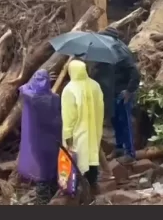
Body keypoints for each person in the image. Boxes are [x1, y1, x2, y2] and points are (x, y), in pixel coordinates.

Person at [90, 27, 141, 164]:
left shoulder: (121, 51)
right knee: (116, 122)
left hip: (122, 93)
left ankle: (130, 153)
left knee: (125, 122)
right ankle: (119, 148)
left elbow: (135, 73)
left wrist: (129, 91)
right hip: (111, 93)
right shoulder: (109, 51)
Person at [17, 69, 62, 205]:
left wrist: (33, 81)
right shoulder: (56, 98)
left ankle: (43, 200)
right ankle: (55, 196)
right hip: (55, 138)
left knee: (42, 170)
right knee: (53, 167)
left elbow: (22, 88)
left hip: (39, 140)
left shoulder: (33, 98)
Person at [61, 59, 104, 195]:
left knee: (77, 159)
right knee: (92, 155)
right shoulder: (95, 85)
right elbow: (101, 107)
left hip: (78, 131)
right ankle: (93, 185)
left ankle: (78, 189)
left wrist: (68, 136)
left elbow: (69, 116)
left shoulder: (69, 89)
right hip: (94, 129)